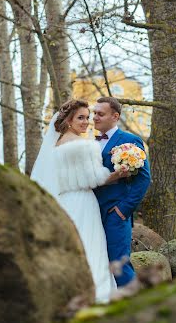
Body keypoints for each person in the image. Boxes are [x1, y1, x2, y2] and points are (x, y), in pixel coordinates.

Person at [30, 99, 127, 303]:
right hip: (83, 203)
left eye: (87, 117)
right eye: (81, 118)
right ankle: (96, 294)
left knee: (71, 247)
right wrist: (118, 174)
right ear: (68, 120)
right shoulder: (83, 145)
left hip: (63, 203)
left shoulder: (55, 146)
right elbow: (94, 179)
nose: (86, 122)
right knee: (90, 246)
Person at [93, 97, 151, 290]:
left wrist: (123, 210)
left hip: (115, 213)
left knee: (119, 264)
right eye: (94, 113)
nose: (95, 117)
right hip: (91, 212)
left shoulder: (129, 140)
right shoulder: (91, 143)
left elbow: (143, 178)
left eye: (100, 114)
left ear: (115, 116)